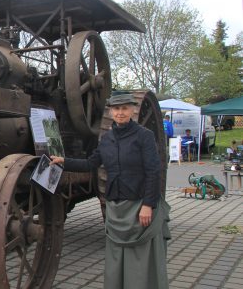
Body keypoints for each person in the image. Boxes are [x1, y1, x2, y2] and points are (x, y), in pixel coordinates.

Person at [50, 92, 170, 289]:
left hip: (139, 205)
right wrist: (64, 162)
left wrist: (148, 205)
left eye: (124, 109)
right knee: (116, 256)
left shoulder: (144, 136)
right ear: (111, 112)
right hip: (116, 206)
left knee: (141, 257)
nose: (120, 113)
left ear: (132, 110)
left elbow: (153, 172)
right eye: (116, 109)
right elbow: (92, 163)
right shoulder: (107, 138)